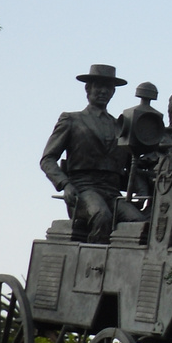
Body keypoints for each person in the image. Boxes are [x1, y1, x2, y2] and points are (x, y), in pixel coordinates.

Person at [39, 64, 147, 242]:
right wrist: (65, 184)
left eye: (108, 88)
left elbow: (131, 166)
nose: (103, 91)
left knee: (139, 223)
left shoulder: (119, 126)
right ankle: (94, 267)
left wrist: (141, 191)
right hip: (83, 190)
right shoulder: (71, 120)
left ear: (113, 92)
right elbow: (47, 159)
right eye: (99, 86)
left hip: (112, 192)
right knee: (101, 216)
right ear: (88, 89)